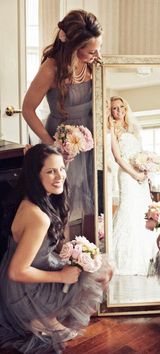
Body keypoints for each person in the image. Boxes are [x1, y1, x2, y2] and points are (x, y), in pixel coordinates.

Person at [0, 144, 112, 354]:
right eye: (50, 171)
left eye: (61, 168)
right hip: (23, 290)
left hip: (31, 273)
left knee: (96, 264)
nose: (59, 176)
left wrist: (75, 251)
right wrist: (62, 276)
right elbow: (17, 271)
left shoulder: (35, 199)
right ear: (36, 176)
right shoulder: (38, 216)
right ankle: (38, 316)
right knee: (103, 272)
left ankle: (47, 317)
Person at [22, 9, 103, 222]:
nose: (97, 55)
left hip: (89, 137)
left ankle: (85, 251)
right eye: (92, 51)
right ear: (75, 47)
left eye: (98, 49)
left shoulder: (94, 65)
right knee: (64, 203)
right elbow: (28, 109)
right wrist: (52, 146)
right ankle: (62, 251)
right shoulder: (51, 68)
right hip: (62, 138)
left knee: (92, 202)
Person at [108, 96, 158, 276]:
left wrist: (146, 167)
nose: (119, 111)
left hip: (140, 175)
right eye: (115, 108)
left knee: (142, 212)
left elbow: (140, 153)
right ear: (110, 111)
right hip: (127, 175)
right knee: (128, 210)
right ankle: (123, 259)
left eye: (122, 107)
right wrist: (134, 173)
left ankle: (145, 257)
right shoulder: (111, 130)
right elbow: (118, 158)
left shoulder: (133, 129)